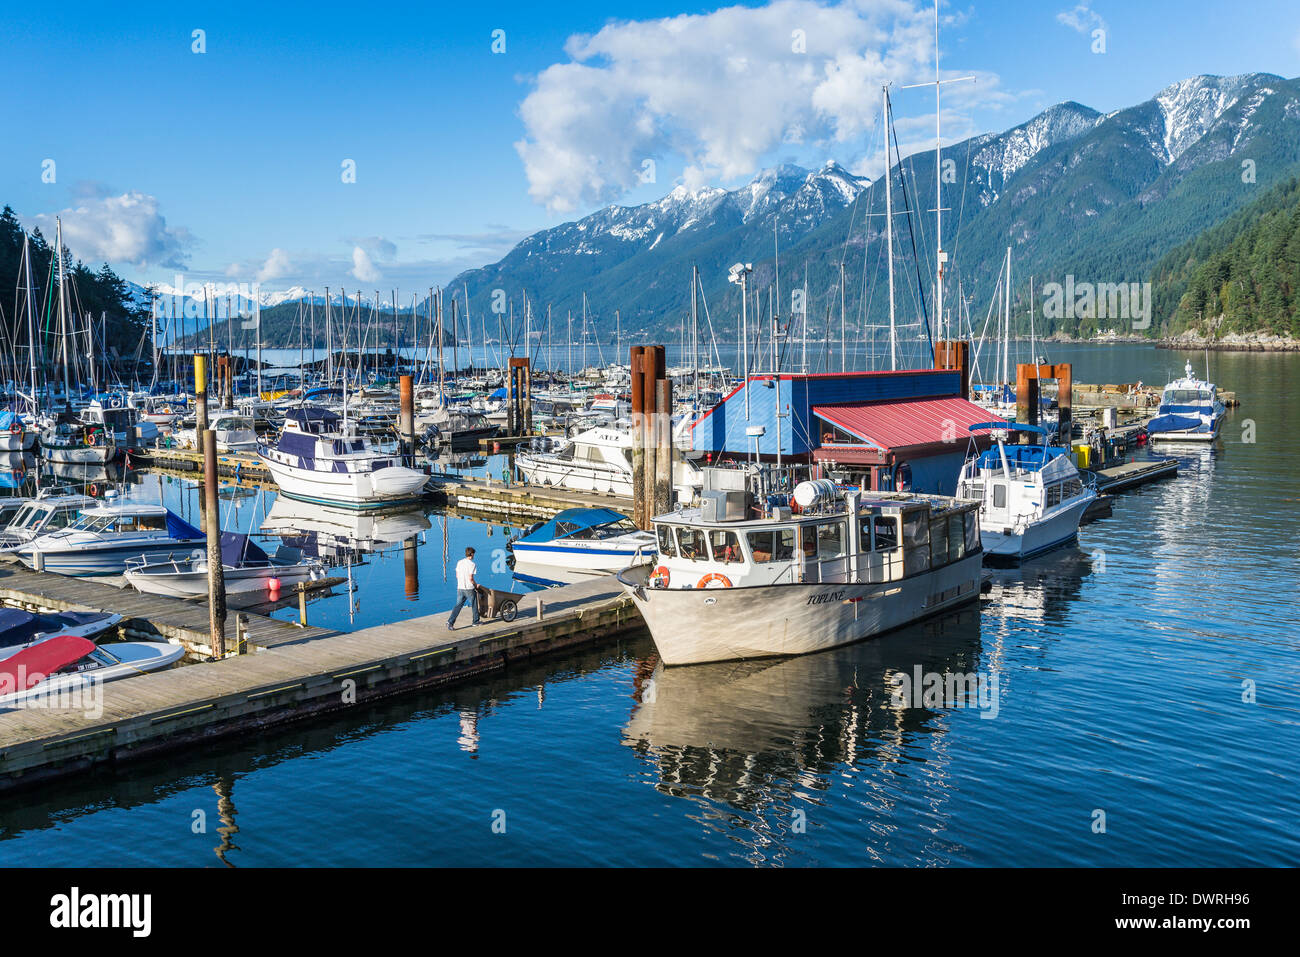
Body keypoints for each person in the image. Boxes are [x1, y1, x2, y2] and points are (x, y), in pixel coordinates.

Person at [447, 547, 481, 629]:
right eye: (473, 554)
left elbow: (457, 575)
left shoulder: (459, 562)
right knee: (474, 604)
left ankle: (450, 622)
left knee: (458, 605)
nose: (474, 556)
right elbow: (471, 578)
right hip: (469, 588)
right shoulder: (472, 564)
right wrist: (476, 585)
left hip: (460, 587)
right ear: (472, 554)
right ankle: (475, 622)